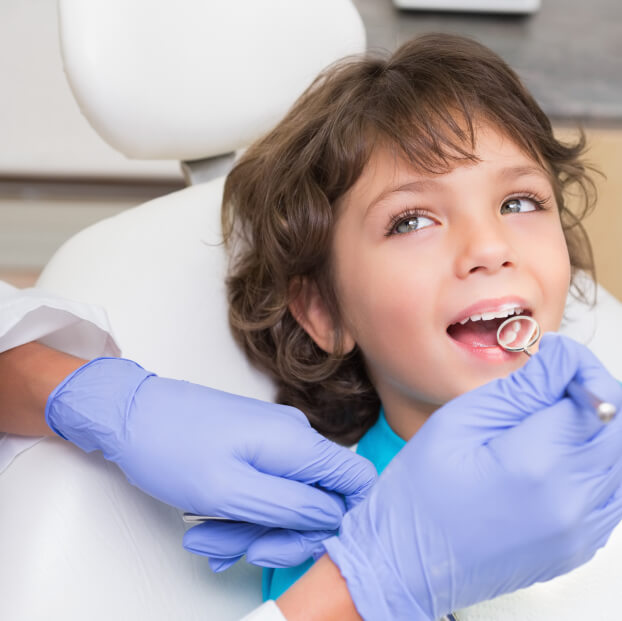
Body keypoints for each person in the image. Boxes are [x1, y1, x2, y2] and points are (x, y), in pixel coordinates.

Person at [2, 32, 622, 621]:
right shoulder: (338, 542)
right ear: (324, 313)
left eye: (520, 203)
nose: (489, 246)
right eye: (411, 221)